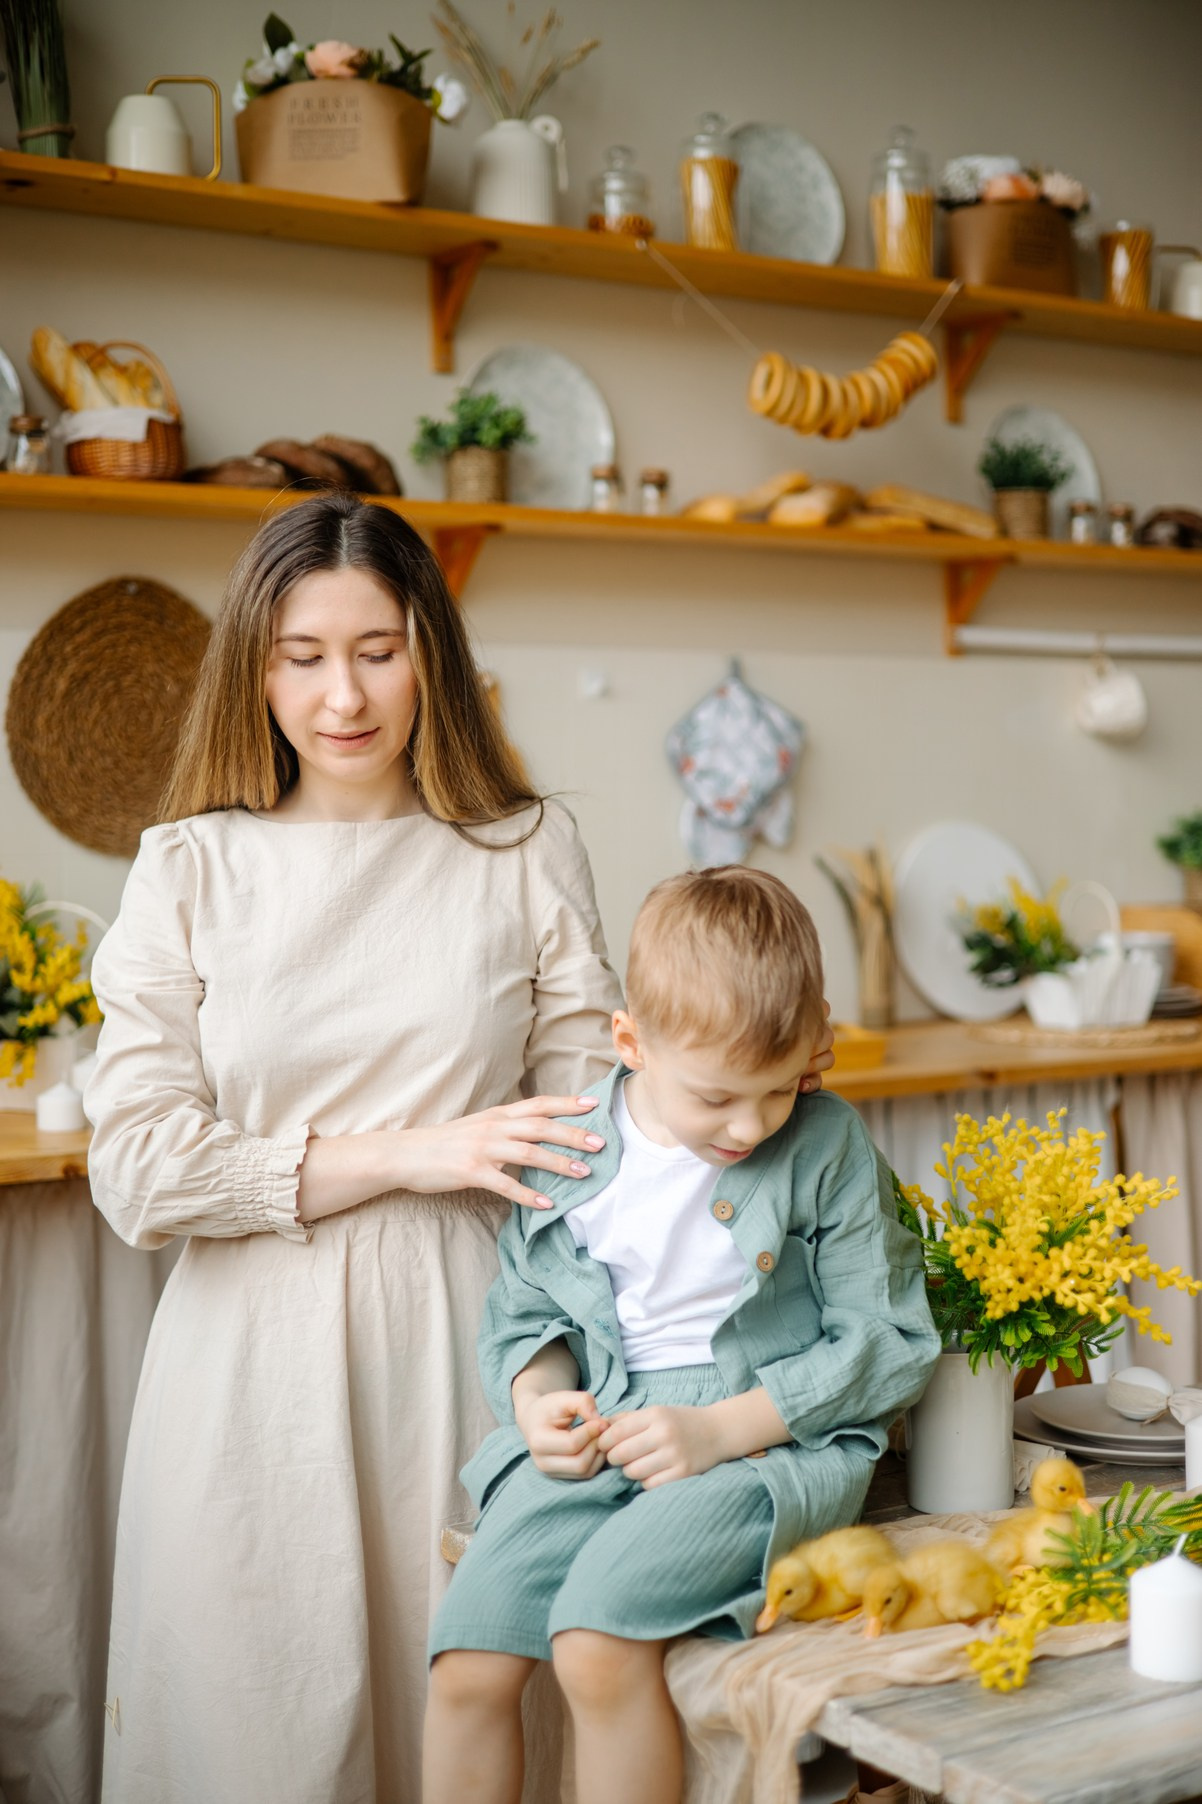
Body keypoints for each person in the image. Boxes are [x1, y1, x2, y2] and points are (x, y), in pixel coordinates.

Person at [84, 491, 834, 1804]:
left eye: (376, 648)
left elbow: (598, 1150)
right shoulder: (186, 868)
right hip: (248, 1366)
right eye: (300, 655)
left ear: (431, 647)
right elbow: (140, 1170)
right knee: (262, 1712)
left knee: (475, 1698)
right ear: (253, 667)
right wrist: (409, 1152)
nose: (342, 696)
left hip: (481, 1346)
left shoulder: (525, 849)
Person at [425, 868, 941, 1804]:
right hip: (606, 1430)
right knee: (466, 1664)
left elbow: (889, 1339)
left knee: (597, 1640)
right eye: (717, 1098)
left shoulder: (825, 1147)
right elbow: (528, 1311)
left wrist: (717, 1432)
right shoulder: (573, 1148)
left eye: (782, 1089)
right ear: (630, 1042)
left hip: (767, 1439)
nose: (751, 1124)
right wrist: (539, 1402)